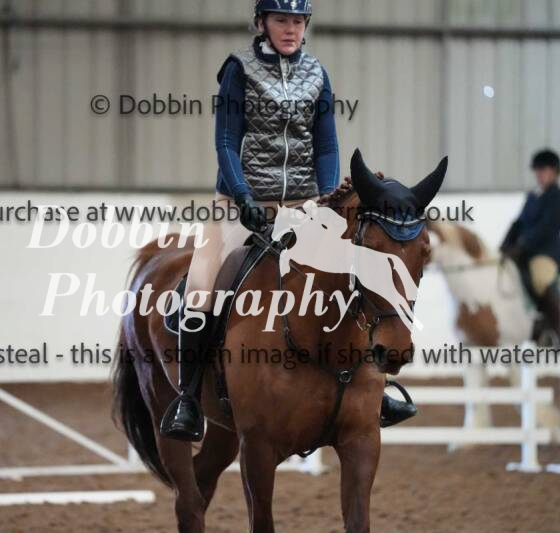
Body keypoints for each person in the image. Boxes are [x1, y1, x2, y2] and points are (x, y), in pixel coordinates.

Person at [160, 0, 415, 442]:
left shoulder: (317, 73)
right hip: (240, 200)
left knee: (351, 275)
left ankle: (377, 384)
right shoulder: (238, 69)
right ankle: (187, 398)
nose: (291, 29)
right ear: (262, 23)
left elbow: (327, 146)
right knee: (200, 285)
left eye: (298, 21)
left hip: (304, 202)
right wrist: (243, 197)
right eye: (281, 20)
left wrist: (326, 199)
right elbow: (226, 142)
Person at [501, 149, 560, 346]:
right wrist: (505, 244)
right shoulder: (533, 196)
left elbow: (547, 227)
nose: (539, 174)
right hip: (524, 252)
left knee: (541, 279)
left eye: (543, 170)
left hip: (545, 253)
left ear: (555, 172)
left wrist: (523, 244)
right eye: (537, 170)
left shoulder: (559, 197)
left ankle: (556, 330)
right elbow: (519, 222)